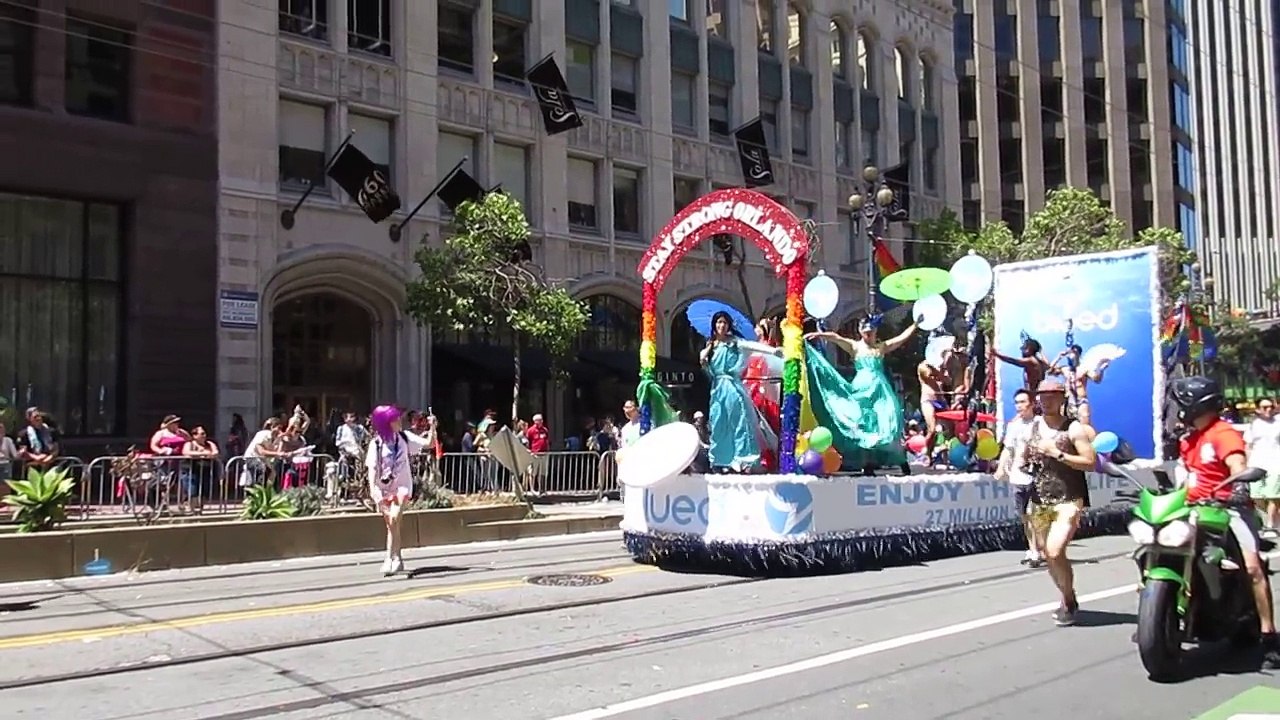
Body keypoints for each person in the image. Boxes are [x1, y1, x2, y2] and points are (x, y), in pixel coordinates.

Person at [1171, 377, 1279, 667]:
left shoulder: (1223, 433)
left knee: (1253, 568)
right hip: (1193, 509)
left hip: (1228, 509)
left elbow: (1237, 465)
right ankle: (1159, 614)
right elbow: (1186, 476)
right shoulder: (1188, 439)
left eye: (1183, 403)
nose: (1180, 409)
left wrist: (1238, 488)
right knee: (1158, 546)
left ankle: (1270, 636)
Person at [1023, 379, 1097, 626]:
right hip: (1039, 499)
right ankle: (1068, 596)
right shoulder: (1032, 427)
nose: (1047, 400)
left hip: (1068, 498)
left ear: (1062, 398)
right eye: (1043, 396)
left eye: (1052, 396)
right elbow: (1023, 459)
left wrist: (1058, 453)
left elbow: (1090, 462)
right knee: (1047, 553)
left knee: (1056, 550)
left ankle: (1067, 599)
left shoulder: (1073, 428)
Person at [805, 313, 917, 474]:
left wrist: (915, 325)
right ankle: (868, 463)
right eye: (865, 332)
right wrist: (819, 334)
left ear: (876, 331)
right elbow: (836, 338)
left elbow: (900, 339)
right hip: (861, 392)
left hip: (880, 392)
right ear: (860, 332)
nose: (868, 334)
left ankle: (900, 460)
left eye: (871, 331)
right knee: (864, 425)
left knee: (888, 421)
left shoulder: (881, 347)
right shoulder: (855, 347)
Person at [365, 405, 433, 576]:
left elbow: (429, 444)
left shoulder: (404, 437)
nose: (399, 421)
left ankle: (392, 558)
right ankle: (394, 558)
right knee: (391, 524)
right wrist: (375, 494)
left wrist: (433, 427)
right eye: (395, 419)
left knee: (394, 518)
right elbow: (372, 470)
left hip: (402, 487)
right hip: (383, 489)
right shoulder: (376, 444)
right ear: (386, 423)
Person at [699, 311, 762, 472]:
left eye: (725, 323)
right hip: (717, 389)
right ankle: (720, 460)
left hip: (732, 387)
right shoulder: (710, 346)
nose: (722, 325)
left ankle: (744, 459)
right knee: (719, 422)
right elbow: (704, 365)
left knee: (739, 421)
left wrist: (772, 351)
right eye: (719, 322)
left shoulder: (734, 342)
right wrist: (706, 355)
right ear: (714, 325)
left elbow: (751, 346)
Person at [994, 388, 1044, 567]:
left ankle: (1037, 552)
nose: (1019, 406)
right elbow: (1008, 449)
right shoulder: (1013, 426)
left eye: (1023, 402)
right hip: (1018, 476)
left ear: (1031, 403)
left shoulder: (1040, 423)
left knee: (1034, 513)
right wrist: (1001, 468)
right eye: (1016, 402)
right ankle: (1035, 548)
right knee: (1025, 516)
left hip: (1038, 476)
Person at [1244, 397, 1280, 535]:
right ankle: (1273, 518)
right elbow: (1248, 446)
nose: (1269, 410)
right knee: (1256, 496)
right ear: (1258, 409)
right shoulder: (1253, 425)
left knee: (1273, 495)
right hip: (1256, 463)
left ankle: (1270, 525)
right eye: (1265, 407)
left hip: (1276, 463)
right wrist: (1247, 465)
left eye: (1271, 406)